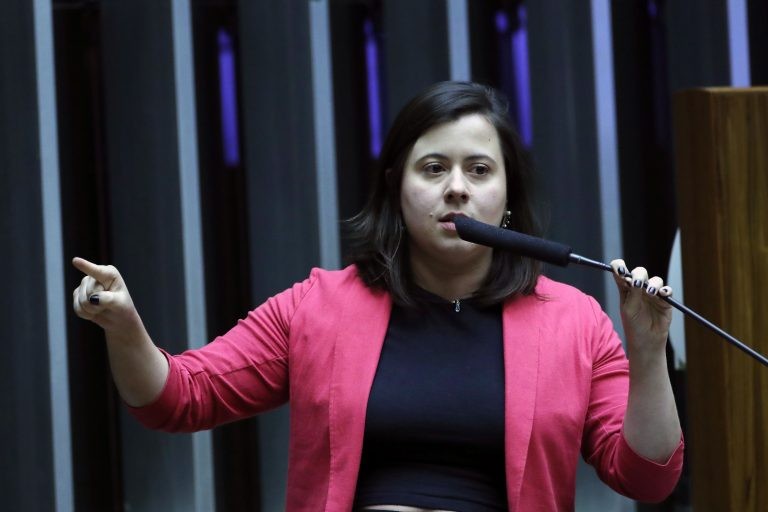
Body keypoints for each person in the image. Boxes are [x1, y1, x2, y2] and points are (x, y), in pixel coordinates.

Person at [72, 81, 683, 512]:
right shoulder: (318, 306)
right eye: (433, 168)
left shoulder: (575, 321)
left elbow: (646, 479)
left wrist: (650, 353)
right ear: (396, 187)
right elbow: (179, 398)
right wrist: (126, 327)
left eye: (478, 170)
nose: (455, 190)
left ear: (508, 196)